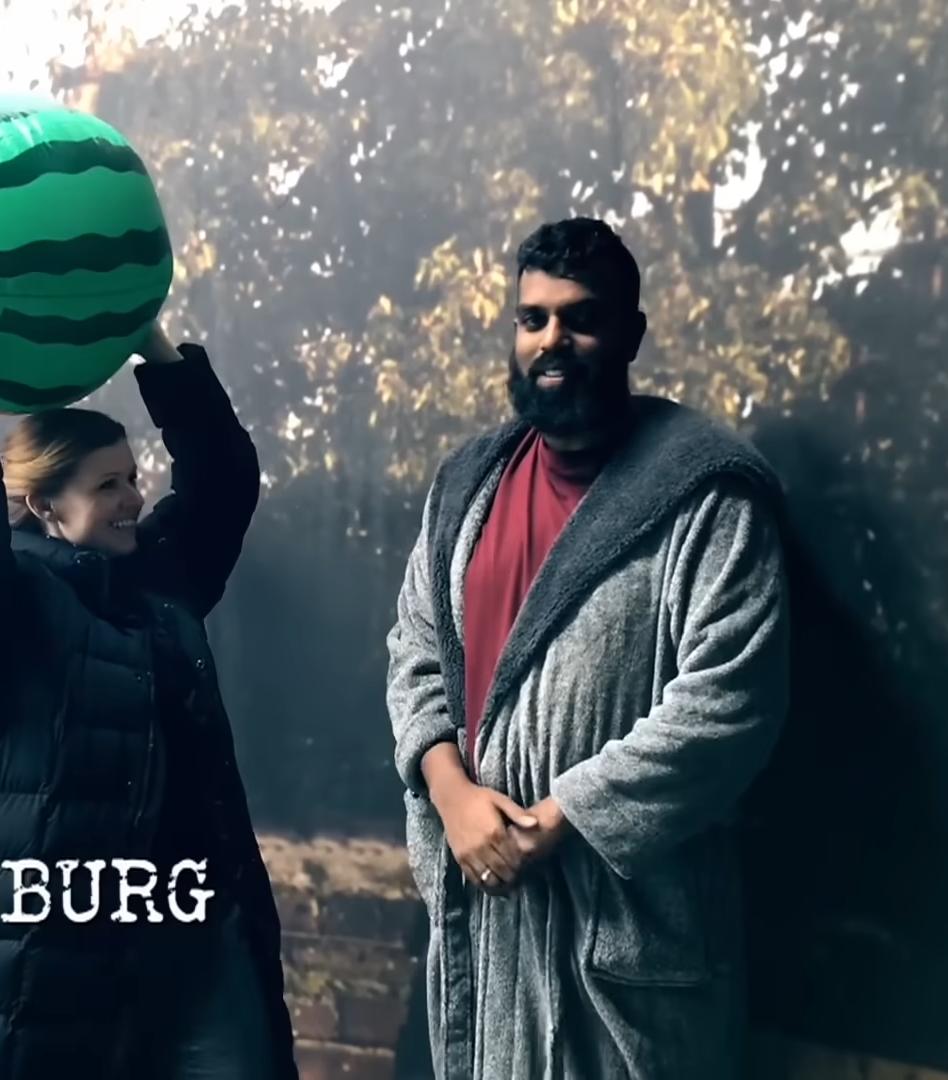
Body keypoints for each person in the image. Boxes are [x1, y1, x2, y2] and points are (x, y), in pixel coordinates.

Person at [0, 247, 298, 1080]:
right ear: (42, 505)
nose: (135, 497)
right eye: (108, 486)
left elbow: (222, 482)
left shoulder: (159, 587)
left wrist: (152, 346)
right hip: (41, 963)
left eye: (132, 477)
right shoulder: (0, 604)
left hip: (194, 945)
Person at [384, 218, 792, 1080]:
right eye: (532, 319)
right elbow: (416, 645)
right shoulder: (467, 483)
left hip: (621, 943)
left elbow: (729, 701)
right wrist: (451, 790)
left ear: (631, 334)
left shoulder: (706, 496)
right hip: (486, 929)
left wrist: (557, 821)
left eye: (580, 319)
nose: (551, 341)